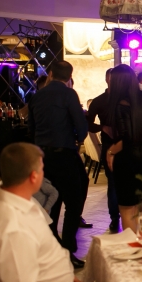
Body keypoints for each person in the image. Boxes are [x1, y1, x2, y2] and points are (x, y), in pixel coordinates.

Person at [0, 143, 105, 282]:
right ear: (33, 176)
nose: (44, 173)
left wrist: (66, 277)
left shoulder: (14, 200)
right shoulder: (13, 225)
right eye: (41, 169)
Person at [28, 60, 88, 268]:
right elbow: (82, 128)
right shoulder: (69, 95)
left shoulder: (37, 96)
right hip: (65, 154)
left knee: (50, 201)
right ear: (69, 77)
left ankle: (52, 247)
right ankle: (67, 248)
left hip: (42, 157)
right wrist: (76, 139)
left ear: (51, 73)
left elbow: (31, 129)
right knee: (74, 201)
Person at [105, 64, 142, 233]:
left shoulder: (120, 105)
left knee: (126, 208)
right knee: (139, 205)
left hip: (127, 160)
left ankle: (132, 246)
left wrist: (111, 151)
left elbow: (127, 138)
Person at [86, 68, 120, 233]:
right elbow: (88, 124)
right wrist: (102, 127)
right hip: (109, 146)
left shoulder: (125, 99)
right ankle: (114, 218)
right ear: (107, 80)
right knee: (112, 184)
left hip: (126, 144)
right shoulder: (99, 101)